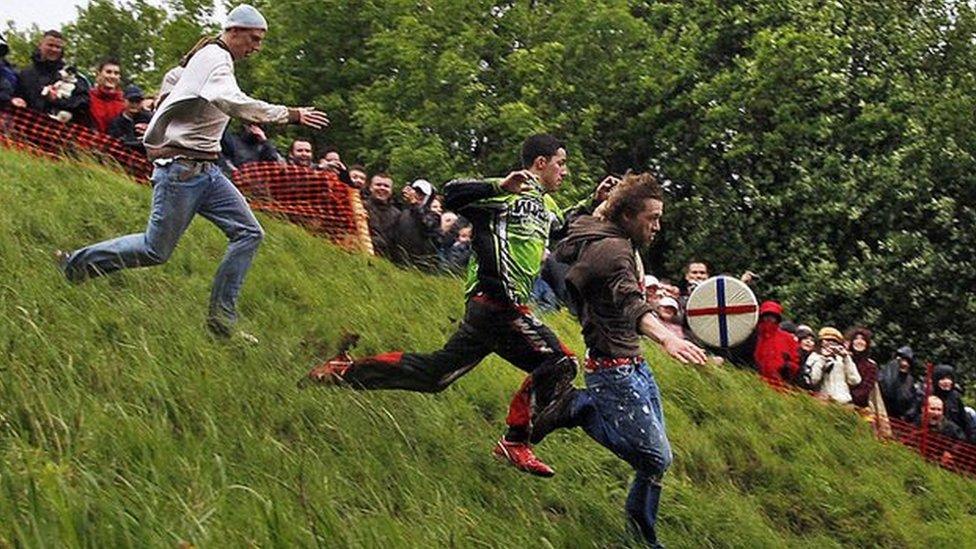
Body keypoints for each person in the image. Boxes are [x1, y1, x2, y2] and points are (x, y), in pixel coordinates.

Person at [304, 134, 579, 478]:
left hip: (498, 311)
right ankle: (515, 440)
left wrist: (596, 205)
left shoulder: (548, 207)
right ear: (541, 163)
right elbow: (452, 193)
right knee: (560, 361)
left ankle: (345, 370)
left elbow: (565, 228)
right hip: (495, 303)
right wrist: (499, 184)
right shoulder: (504, 193)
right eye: (561, 163)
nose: (565, 172)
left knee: (435, 375)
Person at [56, 4, 329, 341]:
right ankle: (74, 264)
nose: (256, 47)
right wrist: (289, 114)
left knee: (249, 233)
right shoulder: (215, 59)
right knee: (155, 250)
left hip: (208, 171)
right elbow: (229, 99)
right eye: (254, 39)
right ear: (234, 31)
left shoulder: (210, 58)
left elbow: (180, 84)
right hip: (181, 173)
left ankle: (221, 320)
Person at [533, 172, 708, 547]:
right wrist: (666, 339)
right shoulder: (614, 251)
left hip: (634, 366)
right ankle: (576, 407)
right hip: (613, 373)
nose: (658, 227)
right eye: (652, 218)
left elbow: (565, 228)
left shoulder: (599, 230)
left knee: (655, 462)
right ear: (628, 216)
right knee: (656, 458)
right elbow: (631, 302)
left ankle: (641, 535)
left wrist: (597, 201)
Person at [15, 30, 91, 124]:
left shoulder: (72, 76)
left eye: (58, 47)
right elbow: (17, 95)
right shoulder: (26, 74)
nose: (54, 49)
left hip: (59, 130)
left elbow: (83, 103)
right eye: (50, 45)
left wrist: (57, 100)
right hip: (29, 127)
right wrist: (17, 100)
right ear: (40, 45)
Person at [390, 179, 441, 269]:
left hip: (422, 267)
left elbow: (426, 225)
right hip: (399, 263)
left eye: (421, 194)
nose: (417, 196)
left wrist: (415, 204)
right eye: (416, 192)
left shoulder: (434, 216)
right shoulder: (403, 212)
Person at [806, 327, 861, 404]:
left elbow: (855, 380)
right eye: (827, 340)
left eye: (834, 341)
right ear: (821, 342)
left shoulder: (843, 358)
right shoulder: (815, 356)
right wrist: (823, 359)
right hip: (823, 401)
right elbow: (814, 380)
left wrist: (846, 358)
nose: (830, 343)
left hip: (844, 401)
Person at [752, 300, 799, 383]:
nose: (769, 319)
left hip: (780, 386)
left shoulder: (788, 338)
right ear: (761, 317)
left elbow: (795, 360)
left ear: (777, 319)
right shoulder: (753, 336)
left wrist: (790, 367)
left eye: (773, 316)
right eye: (766, 316)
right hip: (755, 383)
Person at [932, 364, 975, 442]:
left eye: (949, 378)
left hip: (956, 436)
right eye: (942, 378)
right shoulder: (931, 395)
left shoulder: (955, 396)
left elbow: (964, 419)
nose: (946, 382)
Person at [878, 346, 922, 421]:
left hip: (900, 420)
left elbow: (914, 402)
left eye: (908, 362)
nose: (904, 364)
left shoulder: (910, 381)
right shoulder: (883, 375)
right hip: (882, 415)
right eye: (901, 360)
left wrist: (907, 415)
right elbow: (888, 390)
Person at [363, 173, 400, 258]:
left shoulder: (397, 214)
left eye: (386, 186)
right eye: (378, 185)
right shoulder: (361, 206)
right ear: (370, 188)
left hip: (387, 260)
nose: (382, 188)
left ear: (391, 191)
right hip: (362, 254)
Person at [107, 84, 153, 149]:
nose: (134, 104)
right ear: (124, 101)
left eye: (137, 101)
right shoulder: (116, 123)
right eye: (131, 101)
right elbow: (115, 143)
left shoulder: (150, 119)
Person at [88, 58, 125, 133]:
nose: (112, 76)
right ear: (99, 74)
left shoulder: (124, 102)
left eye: (116, 73)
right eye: (108, 72)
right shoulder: (87, 98)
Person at [846, 328, 878, 408]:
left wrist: (848, 397)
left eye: (863, 339)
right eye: (856, 339)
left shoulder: (871, 366)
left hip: (857, 407)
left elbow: (865, 391)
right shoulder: (843, 359)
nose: (859, 342)